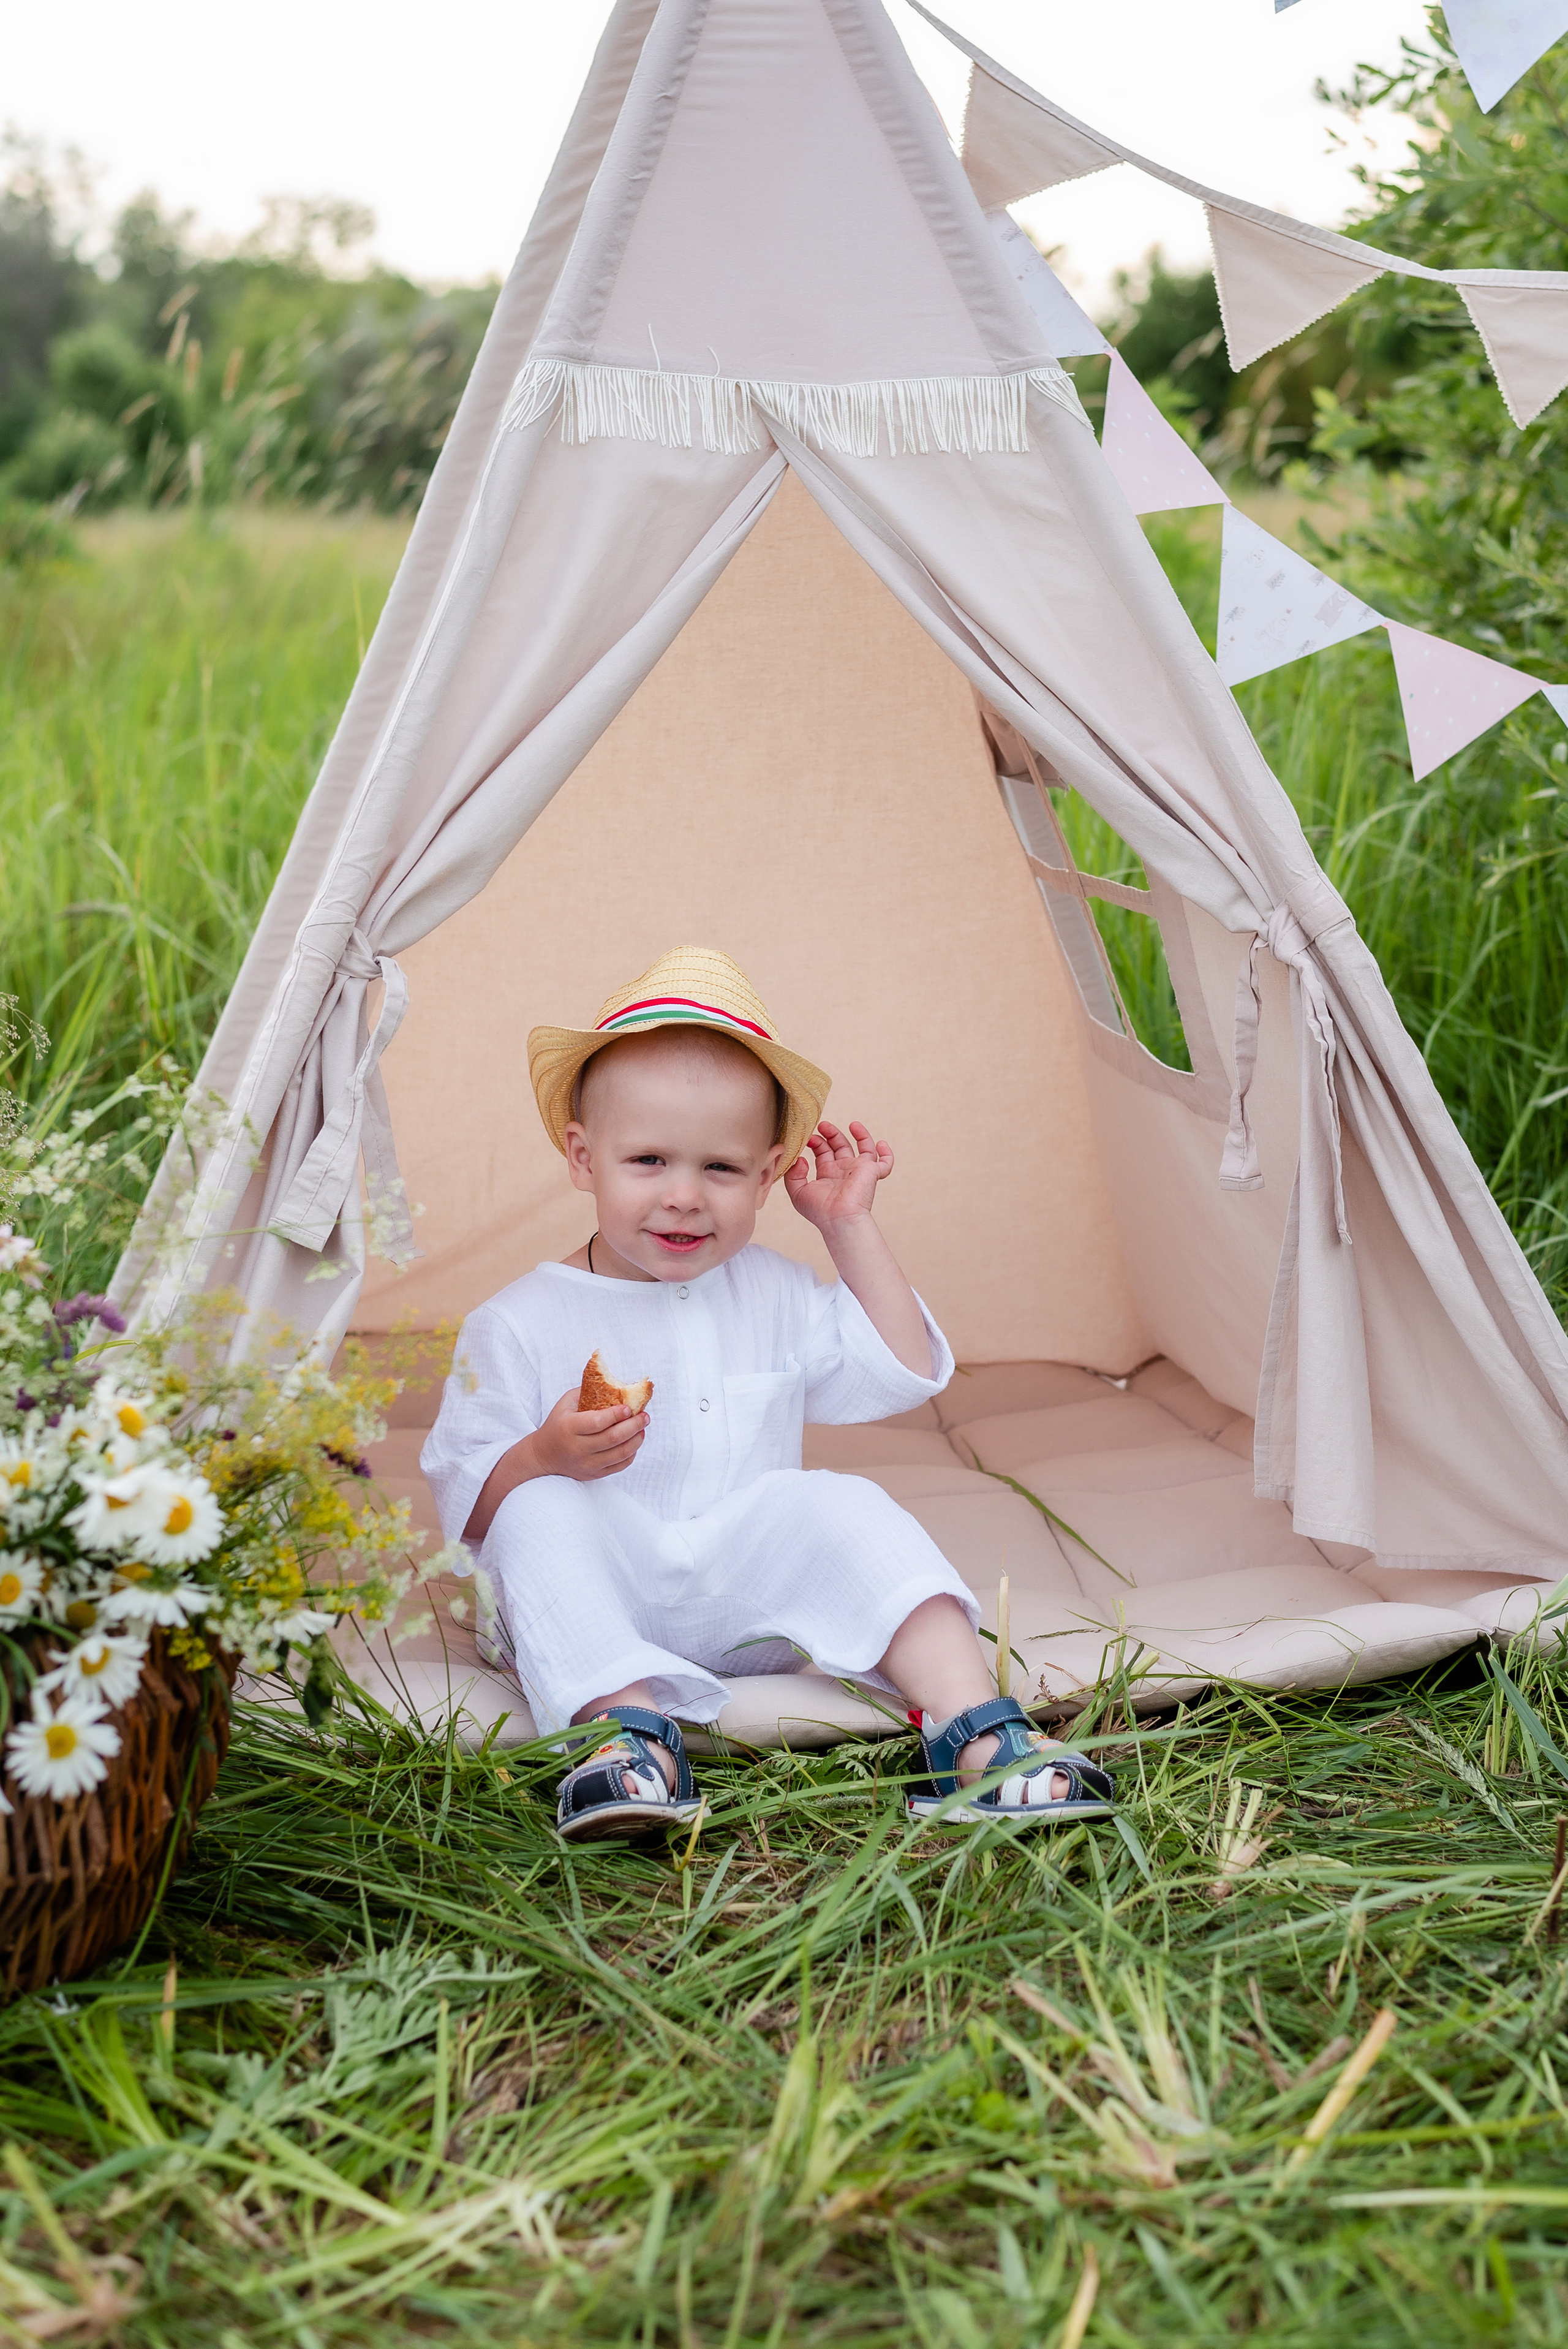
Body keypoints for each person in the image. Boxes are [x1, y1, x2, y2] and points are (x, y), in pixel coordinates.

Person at [420, 947, 1114, 1844]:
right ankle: (622, 1734)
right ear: (582, 1158)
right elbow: (464, 1506)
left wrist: (849, 1227)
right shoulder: (519, 1319)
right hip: (595, 1598)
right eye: (648, 1160)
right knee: (539, 1512)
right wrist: (542, 1458)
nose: (682, 1197)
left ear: (768, 1172)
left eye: (719, 1168)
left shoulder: (775, 1290)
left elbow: (902, 1369)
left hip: (748, 1598)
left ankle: (973, 1730)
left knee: (837, 1500)